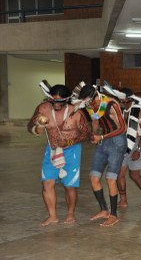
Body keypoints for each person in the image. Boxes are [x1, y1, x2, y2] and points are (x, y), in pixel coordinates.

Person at [27, 83, 92, 227]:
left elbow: (88, 135)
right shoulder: (43, 109)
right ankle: (53, 216)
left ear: (67, 99)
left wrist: (69, 141)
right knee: (47, 183)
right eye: (54, 100)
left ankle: (70, 213)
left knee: (69, 186)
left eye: (60, 101)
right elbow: (29, 127)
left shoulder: (76, 113)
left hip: (72, 151)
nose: (56, 104)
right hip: (51, 149)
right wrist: (37, 127)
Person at [77, 83, 127, 227]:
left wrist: (102, 137)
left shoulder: (111, 104)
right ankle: (104, 210)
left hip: (117, 141)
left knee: (110, 179)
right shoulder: (90, 105)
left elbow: (122, 128)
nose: (89, 105)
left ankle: (114, 215)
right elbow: (95, 120)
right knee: (94, 177)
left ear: (94, 97)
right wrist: (93, 134)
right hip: (103, 140)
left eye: (89, 102)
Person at [117, 88, 141, 208]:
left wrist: (138, 150)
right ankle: (123, 200)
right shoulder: (123, 110)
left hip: (137, 143)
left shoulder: (139, 111)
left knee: (134, 175)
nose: (120, 101)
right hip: (124, 143)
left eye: (122, 98)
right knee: (119, 173)